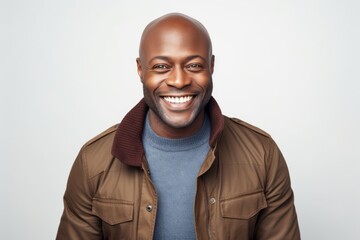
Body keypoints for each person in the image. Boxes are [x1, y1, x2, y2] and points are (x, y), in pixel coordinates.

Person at [56, 13, 300, 240]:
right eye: (162, 66)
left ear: (211, 66)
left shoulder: (262, 154)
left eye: (193, 65)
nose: (179, 81)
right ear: (141, 70)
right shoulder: (93, 162)